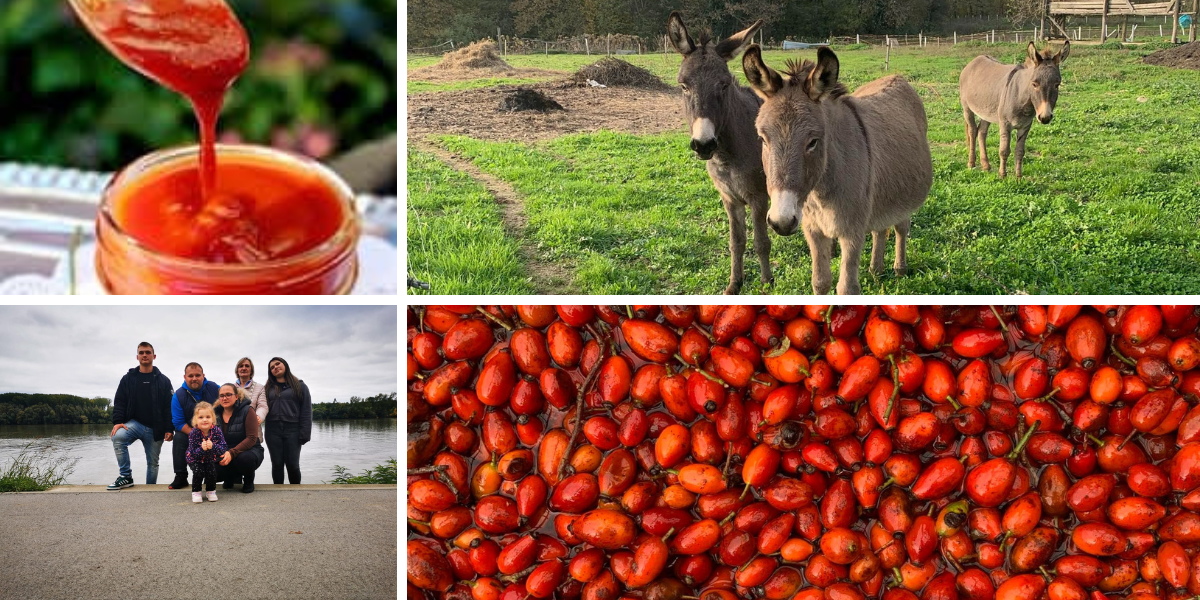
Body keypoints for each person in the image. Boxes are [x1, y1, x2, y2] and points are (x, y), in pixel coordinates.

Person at [108, 342, 175, 490]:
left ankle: (149, 489)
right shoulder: (128, 379)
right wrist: (118, 421)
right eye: (142, 352)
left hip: (155, 428)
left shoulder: (164, 380)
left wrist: (169, 428)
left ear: (154, 356)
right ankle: (126, 476)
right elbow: (120, 401)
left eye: (148, 352)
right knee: (117, 437)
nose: (145, 355)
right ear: (137, 356)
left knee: (153, 463)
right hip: (134, 424)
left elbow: (169, 406)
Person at [167, 362, 221, 490]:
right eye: (191, 376)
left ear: (203, 376)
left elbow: (227, 402)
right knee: (179, 437)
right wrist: (198, 435)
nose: (194, 378)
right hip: (191, 432)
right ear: (185, 377)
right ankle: (181, 476)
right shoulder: (178, 396)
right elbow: (179, 423)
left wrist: (212, 433)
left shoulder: (215, 388)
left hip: (215, 430)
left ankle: (231, 475)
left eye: (198, 375)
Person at [263, 357, 312, 484]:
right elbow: (261, 407)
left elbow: (306, 411)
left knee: (293, 465)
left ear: (285, 365)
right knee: (277, 464)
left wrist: (305, 433)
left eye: (278, 364)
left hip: (293, 430)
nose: (275, 367)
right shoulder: (267, 388)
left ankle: (295, 493)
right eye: (272, 367)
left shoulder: (300, 386)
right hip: (272, 430)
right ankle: (278, 495)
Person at [214, 383, 264, 493]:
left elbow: (251, 438)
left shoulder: (248, 410)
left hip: (249, 450)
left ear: (236, 396)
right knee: (210, 469)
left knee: (244, 459)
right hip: (225, 451)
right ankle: (230, 477)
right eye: (222, 395)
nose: (225, 398)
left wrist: (232, 453)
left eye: (228, 394)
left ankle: (248, 481)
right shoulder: (214, 413)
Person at [185, 401, 227, 503]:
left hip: (209, 458)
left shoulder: (217, 431)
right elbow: (193, 452)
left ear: (213, 418)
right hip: (194, 458)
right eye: (201, 417)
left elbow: (223, 448)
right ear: (195, 419)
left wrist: (213, 446)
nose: (204, 420)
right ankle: (196, 492)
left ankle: (211, 491)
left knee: (212, 471)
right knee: (198, 471)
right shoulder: (193, 433)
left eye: (208, 417)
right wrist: (201, 449)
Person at [234, 357, 268, 426]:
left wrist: (258, 417)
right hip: (233, 428)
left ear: (251, 370)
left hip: (253, 426)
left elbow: (262, 406)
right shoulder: (230, 388)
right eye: (241, 366)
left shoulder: (259, 387)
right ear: (237, 370)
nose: (244, 368)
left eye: (247, 366)